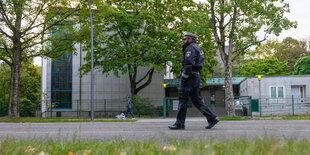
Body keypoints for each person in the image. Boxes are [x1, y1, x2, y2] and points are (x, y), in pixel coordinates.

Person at [168, 32, 219, 130]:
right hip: (196, 76)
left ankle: (179, 123)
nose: (183, 41)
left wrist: (184, 76)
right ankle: (212, 118)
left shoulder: (190, 48)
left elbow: (188, 63)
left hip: (189, 77)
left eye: (185, 39)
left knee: (183, 99)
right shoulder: (198, 48)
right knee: (197, 100)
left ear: (190, 39)